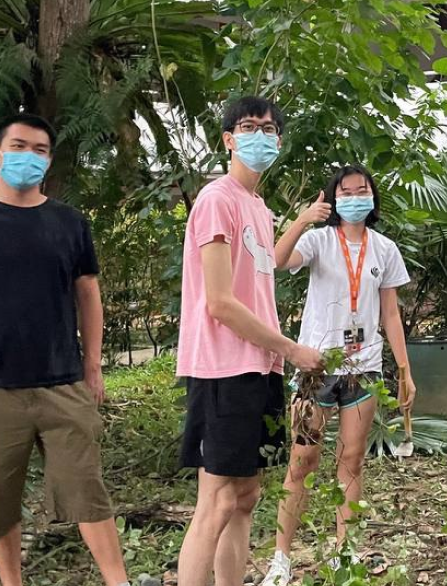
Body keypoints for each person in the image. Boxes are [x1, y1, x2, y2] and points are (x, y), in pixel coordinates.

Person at [0, 114, 134, 586]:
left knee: (87, 492)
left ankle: (119, 581)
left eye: (39, 150)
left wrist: (92, 366)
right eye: (19, 146)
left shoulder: (69, 222)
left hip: (62, 383)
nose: (29, 157)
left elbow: (88, 292)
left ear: (49, 160)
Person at [175, 96, 327, 586]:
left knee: (245, 499)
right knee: (217, 500)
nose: (259, 136)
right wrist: (290, 347)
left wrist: (277, 356)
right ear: (228, 139)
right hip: (223, 368)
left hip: (259, 370)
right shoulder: (217, 200)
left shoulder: (258, 209)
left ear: (278, 142)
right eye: (248, 126)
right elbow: (219, 302)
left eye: (268, 129)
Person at [262, 164, 416, 586]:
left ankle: (343, 553)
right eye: (345, 191)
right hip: (316, 369)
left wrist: (403, 369)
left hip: (363, 370)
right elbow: (275, 261)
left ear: (373, 197)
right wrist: (300, 219)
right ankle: (281, 558)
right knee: (302, 460)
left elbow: (390, 313)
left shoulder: (384, 249)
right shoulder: (317, 239)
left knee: (351, 459)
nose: (353, 197)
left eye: (361, 189)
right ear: (332, 198)